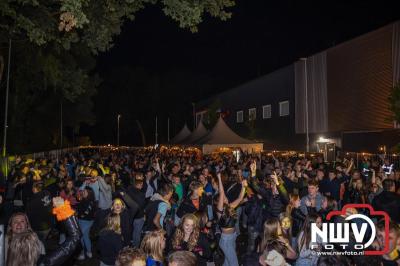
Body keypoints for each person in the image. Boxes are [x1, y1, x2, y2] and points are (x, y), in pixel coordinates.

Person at [7, 196, 81, 266]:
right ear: (10, 226)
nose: (19, 224)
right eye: (15, 221)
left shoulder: (37, 244)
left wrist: (63, 210)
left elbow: (74, 238)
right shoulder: (3, 244)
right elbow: (75, 237)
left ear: (27, 225)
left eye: (22, 221)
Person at [216, 172, 247, 266]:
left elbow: (240, 197)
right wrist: (219, 178)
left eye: (225, 197)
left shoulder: (230, 206)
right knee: (234, 263)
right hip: (225, 240)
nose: (225, 197)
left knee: (227, 262)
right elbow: (221, 192)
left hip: (232, 237)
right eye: (223, 197)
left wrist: (244, 186)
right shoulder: (219, 210)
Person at [76, 186, 96, 260]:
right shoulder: (84, 199)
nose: (83, 192)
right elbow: (80, 208)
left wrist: (78, 214)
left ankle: (83, 253)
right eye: (83, 191)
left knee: (80, 236)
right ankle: (88, 251)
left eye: (85, 192)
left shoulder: (90, 201)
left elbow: (86, 212)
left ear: (89, 193)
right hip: (81, 220)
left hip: (87, 221)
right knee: (85, 236)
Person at [128, 177, 147, 247]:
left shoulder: (129, 191)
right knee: (137, 233)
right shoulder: (141, 194)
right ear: (138, 185)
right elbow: (142, 205)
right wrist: (144, 214)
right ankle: (135, 247)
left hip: (131, 215)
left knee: (132, 230)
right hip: (139, 216)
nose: (142, 186)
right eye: (141, 185)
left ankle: (131, 242)